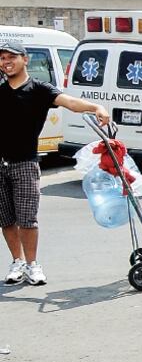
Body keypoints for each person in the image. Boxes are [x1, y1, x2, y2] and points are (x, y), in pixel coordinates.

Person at [1, 40, 110, 286]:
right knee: (6, 219)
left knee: (27, 219)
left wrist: (96, 107)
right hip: (1, 164)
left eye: (11, 57)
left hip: (25, 163)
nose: (6, 62)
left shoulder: (39, 89)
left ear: (25, 59)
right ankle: (16, 262)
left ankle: (32, 265)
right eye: (2, 59)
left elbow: (70, 103)